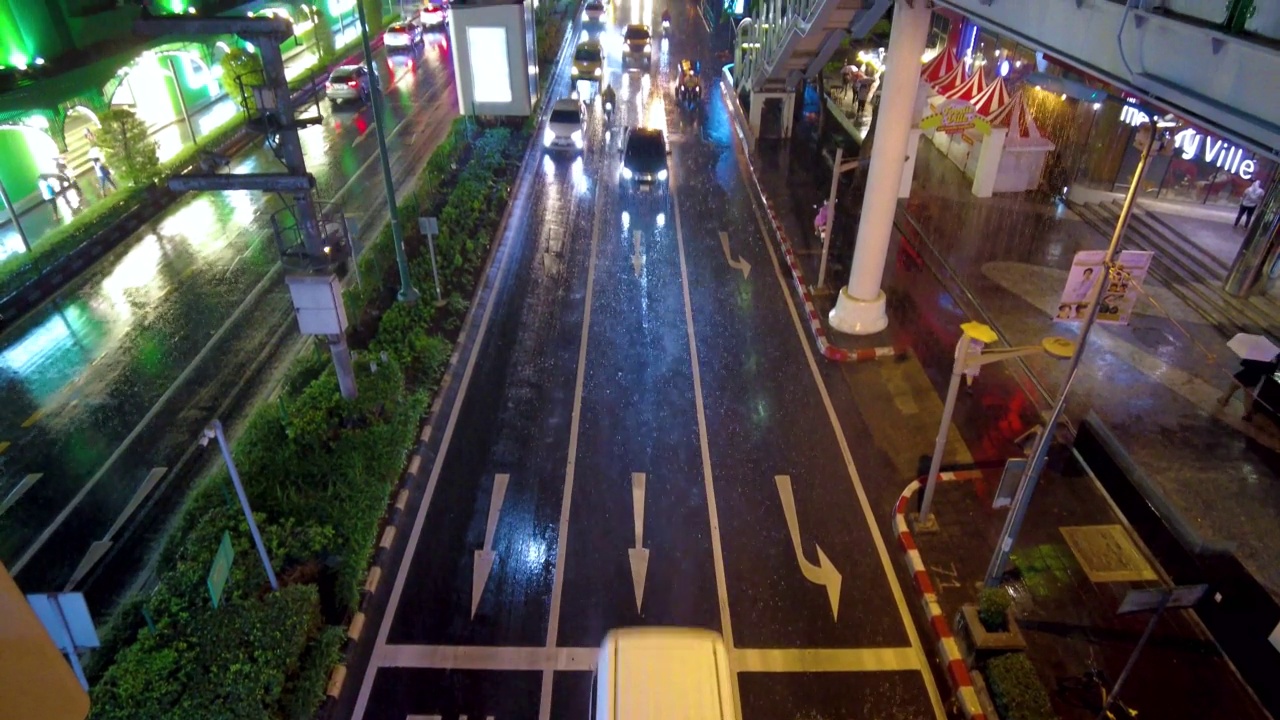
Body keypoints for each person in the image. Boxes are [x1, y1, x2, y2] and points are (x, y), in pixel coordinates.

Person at [1219, 351, 1280, 422]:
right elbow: (1271, 370)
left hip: (1247, 373)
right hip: (1255, 377)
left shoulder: (1261, 351)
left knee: (1234, 387)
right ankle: (1247, 412)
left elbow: (1247, 361)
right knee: (1247, 395)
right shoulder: (1275, 357)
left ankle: (1224, 400)